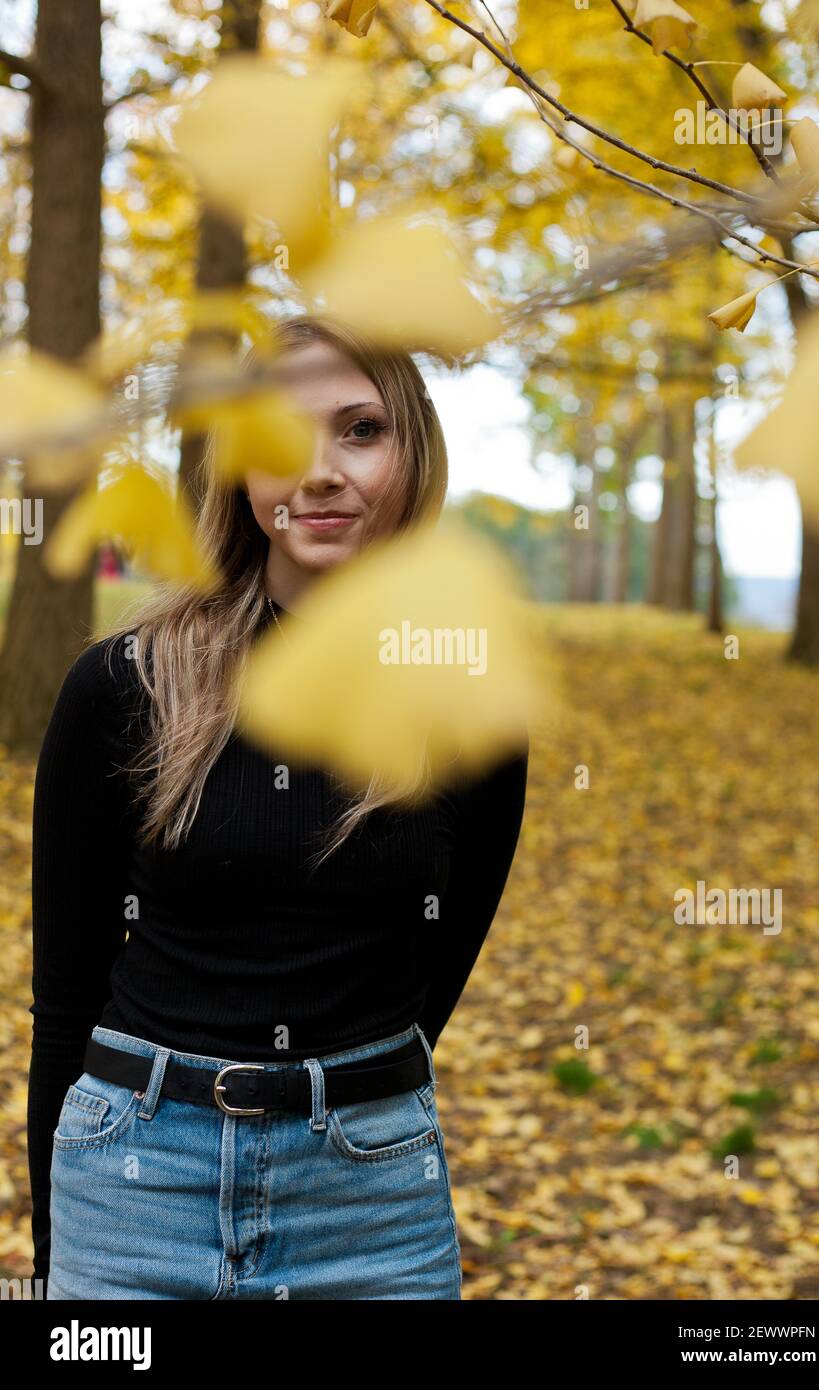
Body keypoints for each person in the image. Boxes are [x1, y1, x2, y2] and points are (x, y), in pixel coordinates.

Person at [27, 313, 529, 1300]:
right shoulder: (125, 685)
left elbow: (431, 979)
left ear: (411, 450)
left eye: (359, 429)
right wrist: (55, 1261)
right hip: (132, 1186)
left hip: (369, 1204)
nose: (320, 472)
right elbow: (65, 1003)